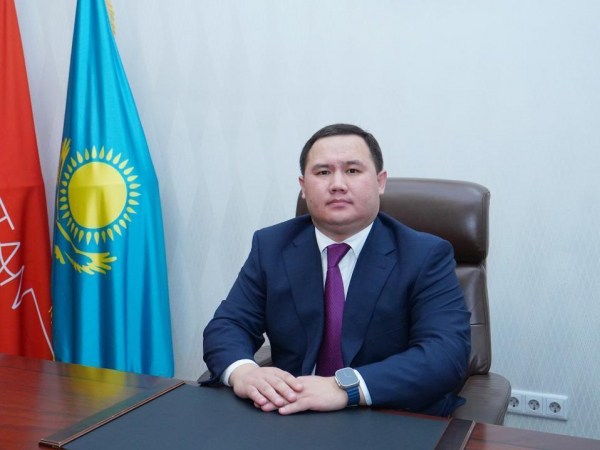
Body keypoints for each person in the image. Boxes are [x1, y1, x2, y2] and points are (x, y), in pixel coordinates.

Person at [201, 124, 471, 417]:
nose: (337, 184)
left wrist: (344, 387)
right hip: (292, 414)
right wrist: (244, 372)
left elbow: (445, 354)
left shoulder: (424, 255)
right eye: (323, 172)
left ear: (380, 182)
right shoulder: (271, 246)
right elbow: (229, 324)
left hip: (389, 414)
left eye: (352, 170)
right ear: (303, 187)